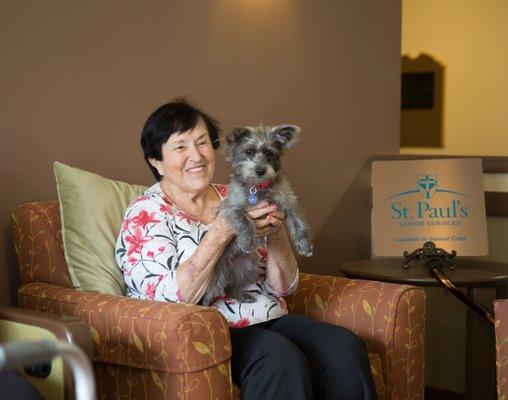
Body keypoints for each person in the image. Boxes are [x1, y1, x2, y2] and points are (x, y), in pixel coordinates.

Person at [115, 98, 377, 400]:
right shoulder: (147, 213)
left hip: (266, 314)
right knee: (278, 357)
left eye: (202, 143)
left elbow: (284, 287)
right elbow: (172, 299)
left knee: (344, 346)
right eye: (180, 147)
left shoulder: (241, 193)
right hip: (206, 330)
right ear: (155, 160)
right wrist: (220, 232)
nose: (196, 156)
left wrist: (277, 233)